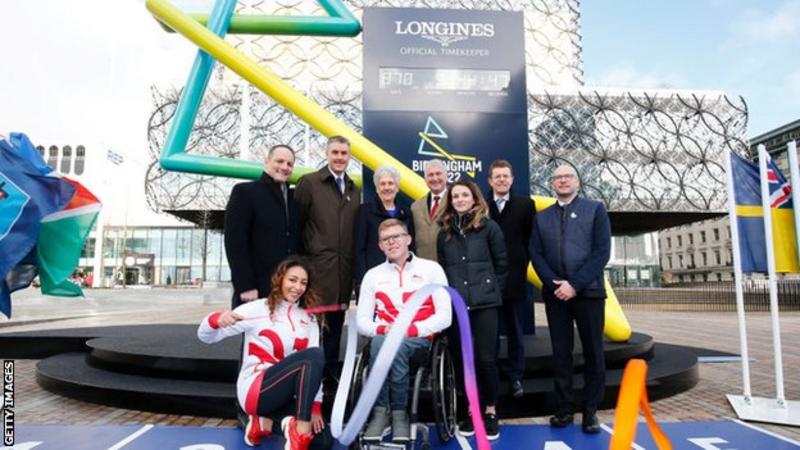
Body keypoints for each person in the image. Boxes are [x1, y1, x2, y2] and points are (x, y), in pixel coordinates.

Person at [197, 257, 329, 450]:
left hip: (284, 394)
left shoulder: (309, 320)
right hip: (256, 390)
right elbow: (205, 336)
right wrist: (216, 319)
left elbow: (315, 369)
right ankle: (299, 431)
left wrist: (315, 407)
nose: (297, 287)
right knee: (314, 355)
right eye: (292, 280)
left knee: (322, 441)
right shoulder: (258, 309)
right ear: (280, 279)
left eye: (303, 282)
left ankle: (262, 424)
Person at [529, 164, 611, 434]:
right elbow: (536, 254)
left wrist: (574, 285)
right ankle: (564, 408)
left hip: (589, 293)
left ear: (578, 181)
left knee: (593, 352)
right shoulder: (542, 218)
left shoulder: (595, 209)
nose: (563, 181)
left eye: (568, 176)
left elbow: (602, 252)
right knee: (561, 353)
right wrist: (554, 283)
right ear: (552, 184)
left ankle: (590, 410)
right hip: (556, 295)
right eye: (558, 178)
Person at [357, 219, 451, 443]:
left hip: (419, 340)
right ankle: (385, 412)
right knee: (381, 342)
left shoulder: (431, 270)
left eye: (396, 236)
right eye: (385, 239)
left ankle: (396, 413)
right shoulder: (372, 275)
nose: (391, 242)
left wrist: (410, 330)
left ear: (408, 239)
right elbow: (362, 321)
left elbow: (445, 316)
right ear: (380, 246)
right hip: (384, 337)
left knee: (391, 344)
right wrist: (383, 328)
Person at [437, 179, 507, 440]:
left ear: (475, 198)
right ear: (450, 201)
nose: (460, 200)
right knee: (463, 362)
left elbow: (502, 265)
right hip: (457, 307)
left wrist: (491, 290)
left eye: (465, 195)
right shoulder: (444, 233)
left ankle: (490, 411)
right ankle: (471, 409)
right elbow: (443, 269)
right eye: (455, 196)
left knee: (486, 360)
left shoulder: (490, 228)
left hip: (485, 305)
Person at [295, 135, 360, 390]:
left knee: (335, 329)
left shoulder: (354, 189)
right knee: (312, 330)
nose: (340, 157)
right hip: (316, 272)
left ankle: (330, 377)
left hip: (342, 273)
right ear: (327, 154)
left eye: (344, 153)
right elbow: (297, 226)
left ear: (350, 156)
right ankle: (307, 378)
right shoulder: (309, 183)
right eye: (335, 152)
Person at [224, 144, 303, 309]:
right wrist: (245, 285)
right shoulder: (245, 192)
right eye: (279, 161)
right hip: (256, 290)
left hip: (288, 292)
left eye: (289, 164)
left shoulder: (295, 199)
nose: (284, 167)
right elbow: (235, 242)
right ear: (266, 161)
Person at [486, 160, 535, 398]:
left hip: (515, 279)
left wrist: (521, 264)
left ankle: (516, 377)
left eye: (506, 176)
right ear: (490, 180)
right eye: (497, 176)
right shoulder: (480, 205)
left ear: (512, 179)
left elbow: (531, 241)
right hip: (487, 281)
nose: (502, 180)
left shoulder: (526, 205)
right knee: (490, 333)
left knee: (515, 331)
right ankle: (491, 378)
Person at [353, 165, 415, 287]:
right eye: (382, 184)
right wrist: (362, 282)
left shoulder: (406, 213)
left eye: (391, 183)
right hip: (375, 279)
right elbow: (359, 250)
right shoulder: (365, 212)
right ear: (377, 188)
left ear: (397, 188)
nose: (387, 187)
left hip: (402, 278)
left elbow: (411, 247)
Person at [410, 159, 448, 261]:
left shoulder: (455, 202)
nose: (435, 178)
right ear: (425, 179)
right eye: (430, 175)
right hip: (423, 266)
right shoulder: (415, 207)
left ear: (446, 176)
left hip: (449, 266)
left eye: (438, 174)